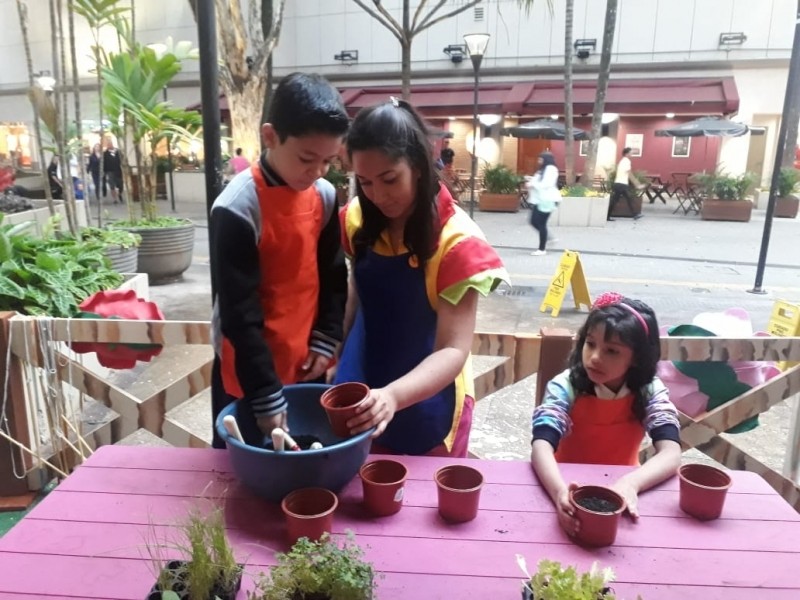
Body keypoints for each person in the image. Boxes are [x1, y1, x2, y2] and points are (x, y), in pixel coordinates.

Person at [334, 98, 510, 457]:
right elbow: (357, 293)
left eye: (389, 179)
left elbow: (453, 348)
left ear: (417, 163)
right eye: (364, 182)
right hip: (364, 375)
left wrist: (393, 396)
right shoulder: (357, 219)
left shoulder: (457, 242)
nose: (378, 195)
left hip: (430, 399)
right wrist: (335, 350)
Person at [209, 73, 350, 449]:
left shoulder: (323, 195)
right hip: (249, 371)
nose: (317, 171)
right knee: (244, 468)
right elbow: (239, 315)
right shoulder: (237, 207)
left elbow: (334, 276)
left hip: (306, 361)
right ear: (270, 137)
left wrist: (326, 340)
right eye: (307, 158)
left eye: (328, 161)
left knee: (306, 460)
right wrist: (265, 395)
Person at [530, 292, 681, 537]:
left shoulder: (649, 391)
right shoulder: (565, 387)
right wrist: (559, 493)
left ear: (637, 358)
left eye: (612, 351)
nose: (595, 357)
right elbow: (541, 446)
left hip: (625, 488)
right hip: (562, 483)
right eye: (590, 344)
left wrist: (630, 484)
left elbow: (672, 453)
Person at [525, 151, 560, 256]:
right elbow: (540, 181)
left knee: (540, 223)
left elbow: (546, 184)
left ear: (546, 159)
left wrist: (532, 184)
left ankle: (542, 249)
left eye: (541, 159)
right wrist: (531, 180)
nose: (539, 161)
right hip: (540, 200)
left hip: (547, 200)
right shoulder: (543, 170)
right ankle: (548, 238)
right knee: (533, 221)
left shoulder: (551, 169)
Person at [608, 147, 644, 221]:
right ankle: (635, 214)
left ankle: (635, 214)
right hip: (622, 184)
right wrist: (637, 184)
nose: (632, 154)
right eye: (631, 152)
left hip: (619, 184)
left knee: (621, 199)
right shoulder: (626, 161)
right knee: (627, 199)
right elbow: (629, 174)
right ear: (627, 154)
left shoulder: (623, 161)